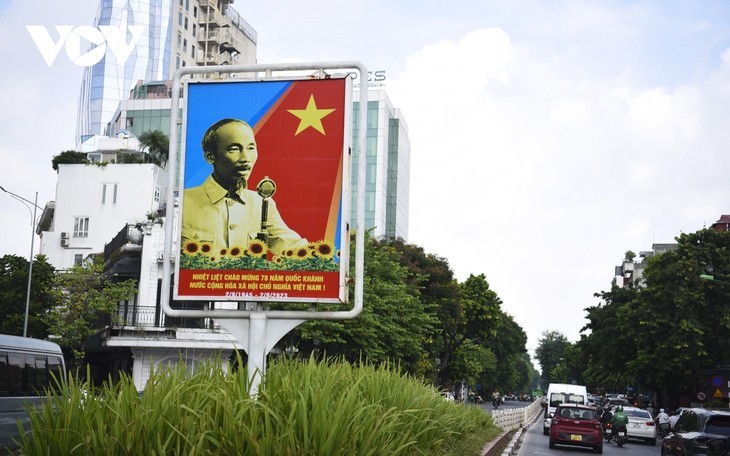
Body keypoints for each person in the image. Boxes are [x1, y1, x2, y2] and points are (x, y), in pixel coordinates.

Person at [182, 118, 307, 256]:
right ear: (210, 156)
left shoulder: (262, 204)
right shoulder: (184, 202)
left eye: (251, 148)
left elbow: (295, 249)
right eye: (234, 149)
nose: (246, 158)